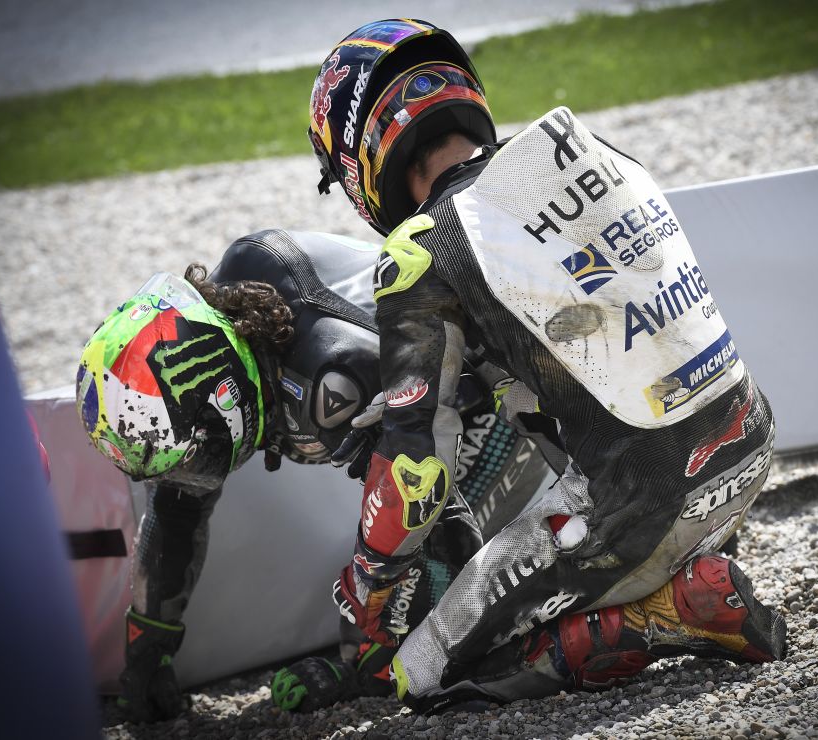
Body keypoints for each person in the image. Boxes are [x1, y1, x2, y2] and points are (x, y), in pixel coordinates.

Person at [308, 19, 787, 711]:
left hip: (640, 503)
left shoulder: (420, 247)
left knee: (421, 675)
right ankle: (676, 574)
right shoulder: (592, 154)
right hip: (751, 442)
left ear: (360, 156)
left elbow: (417, 471)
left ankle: (659, 612)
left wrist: (367, 585)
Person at [76, 229, 555, 721]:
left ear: (221, 396)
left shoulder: (329, 372)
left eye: (193, 459)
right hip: (433, 414)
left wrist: (366, 665)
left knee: (413, 615)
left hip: (499, 408)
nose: (192, 475)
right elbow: (174, 516)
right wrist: (147, 645)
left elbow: (434, 515)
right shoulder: (234, 340)